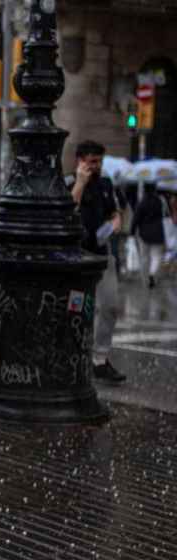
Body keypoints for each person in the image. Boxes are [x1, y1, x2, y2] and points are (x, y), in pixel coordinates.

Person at [67, 140, 125, 384]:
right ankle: (72, 357)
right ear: (80, 161)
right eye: (92, 162)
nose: (97, 166)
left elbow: (114, 211)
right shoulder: (69, 182)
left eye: (100, 161)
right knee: (76, 310)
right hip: (77, 260)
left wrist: (116, 220)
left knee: (110, 306)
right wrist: (80, 182)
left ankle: (99, 359)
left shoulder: (105, 184)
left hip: (102, 255)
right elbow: (66, 212)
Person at [131, 181, 168, 290]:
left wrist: (132, 232)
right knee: (157, 256)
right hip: (158, 232)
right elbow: (165, 214)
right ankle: (152, 273)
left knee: (144, 257)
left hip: (144, 233)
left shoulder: (142, 202)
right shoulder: (160, 201)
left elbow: (136, 218)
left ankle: (145, 278)